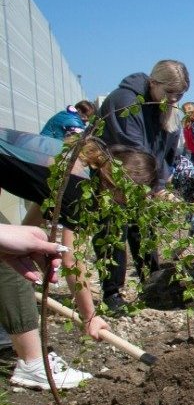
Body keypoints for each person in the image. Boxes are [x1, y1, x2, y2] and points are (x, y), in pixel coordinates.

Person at [0, 137, 159, 389]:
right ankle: (32, 364)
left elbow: (39, 210)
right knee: (9, 271)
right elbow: (72, 260)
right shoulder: (79, 187)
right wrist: (90, 316)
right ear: (123, 188)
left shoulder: (81, 162)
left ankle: (8, 332)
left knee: (9, 257)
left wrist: (19, 247)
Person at [98, 60, 189, 311]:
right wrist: (151, 186)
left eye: (179, 95)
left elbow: (166, 149)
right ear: (153, 83)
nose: (174, 100)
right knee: (113, 231)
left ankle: (152, 285)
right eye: (170, 93)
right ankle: (111, 293)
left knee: (145, 231)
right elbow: (132, 147)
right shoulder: (125, 101)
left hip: (145, 179)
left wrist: (161, 181)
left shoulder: (167, 107)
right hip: (117, 178)